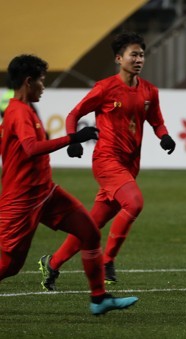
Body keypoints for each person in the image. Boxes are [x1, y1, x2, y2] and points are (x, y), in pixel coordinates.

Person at [0, 54, 138, 315]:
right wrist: (73, 137)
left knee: (89, 232)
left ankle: (99, 298)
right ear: (28, 82)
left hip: (45, 192)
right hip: (21, 199)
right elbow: (31, 148)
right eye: (41, 81)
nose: (44, 86)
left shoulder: (24, 109)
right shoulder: (18, 112)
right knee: (9, 266)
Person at [39, 31, 176, 289]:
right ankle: (107, 261)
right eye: (133, 54)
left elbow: (156, 120)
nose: (138, 59)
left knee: (91, 226)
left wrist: (164, 136)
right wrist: (73, 140)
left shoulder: (150, 91)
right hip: (106, 160)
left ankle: (53, 264)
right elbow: (74, 114)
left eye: (142, 55)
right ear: (118, 58)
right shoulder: (105, 88)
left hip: (129, 165)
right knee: (134, 203)